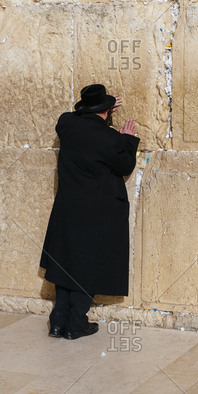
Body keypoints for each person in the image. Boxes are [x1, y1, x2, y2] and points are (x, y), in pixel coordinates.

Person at [40, 84, 139, 340]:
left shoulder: (67, 125)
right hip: (99, 211)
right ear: (106, 112)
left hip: (69, 208)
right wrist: (128, 138)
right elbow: (125, 165)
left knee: (67, 261)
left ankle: (58, 322)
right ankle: (76, 323)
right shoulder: (111, 139)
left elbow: (73, 116)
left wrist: (99, 107)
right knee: (88, 265)